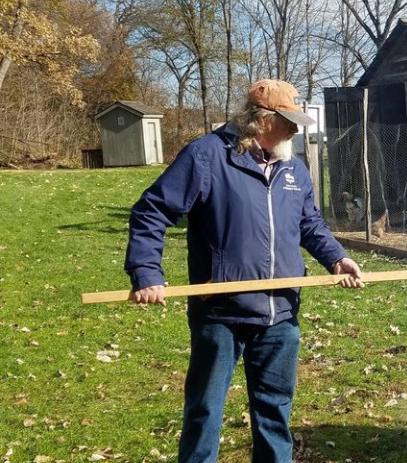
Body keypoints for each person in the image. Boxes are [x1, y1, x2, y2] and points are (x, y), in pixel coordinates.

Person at [124, 79, 363, 462]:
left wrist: (336, 257)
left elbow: (310, 224)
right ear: (261, 119)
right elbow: (152, 211)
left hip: (281, 313)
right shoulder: (207, 157)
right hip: (221, 311)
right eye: (288, 121)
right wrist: (147, 272)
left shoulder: (293, 169)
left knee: (275, 411)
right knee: (205, 411)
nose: (295, 129)